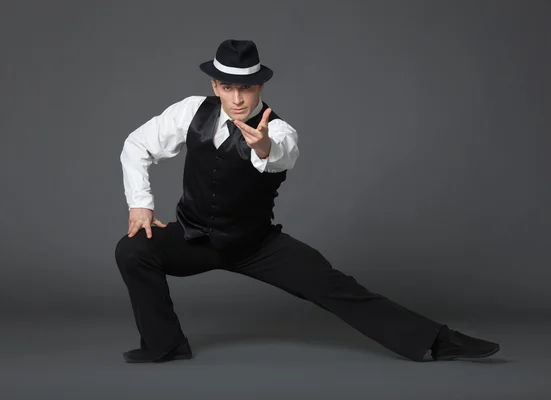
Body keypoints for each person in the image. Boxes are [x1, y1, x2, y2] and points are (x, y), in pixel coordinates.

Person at [115, 39, 500, 363]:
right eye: (228, 88)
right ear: (215, 86)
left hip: (255, 246)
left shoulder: (278, 129)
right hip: (193, 238)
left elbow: (280, 154)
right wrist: (141, 204)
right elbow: (136, 145)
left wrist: (262, 145)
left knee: (337, 287)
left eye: (246, 89)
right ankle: (166, 345)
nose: (237, 99)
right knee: (133, 250)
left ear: (259, 88)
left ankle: (437, 340)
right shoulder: (189, 112)